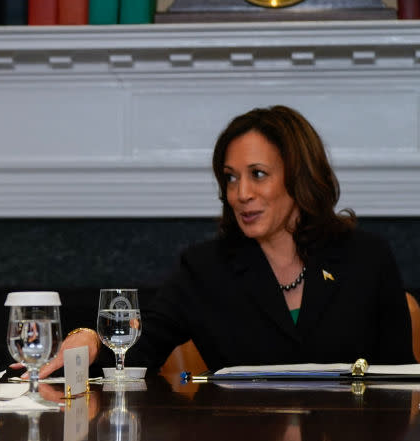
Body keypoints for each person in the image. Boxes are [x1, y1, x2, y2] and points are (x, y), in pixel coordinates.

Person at [44, 105, 414, 375]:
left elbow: (403, 381)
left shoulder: (367, 258)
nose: (241, 194)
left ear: (299, 177)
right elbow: (138, 350)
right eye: (231, 178)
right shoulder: (205, 269)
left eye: (257, 174)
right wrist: (89, 338)